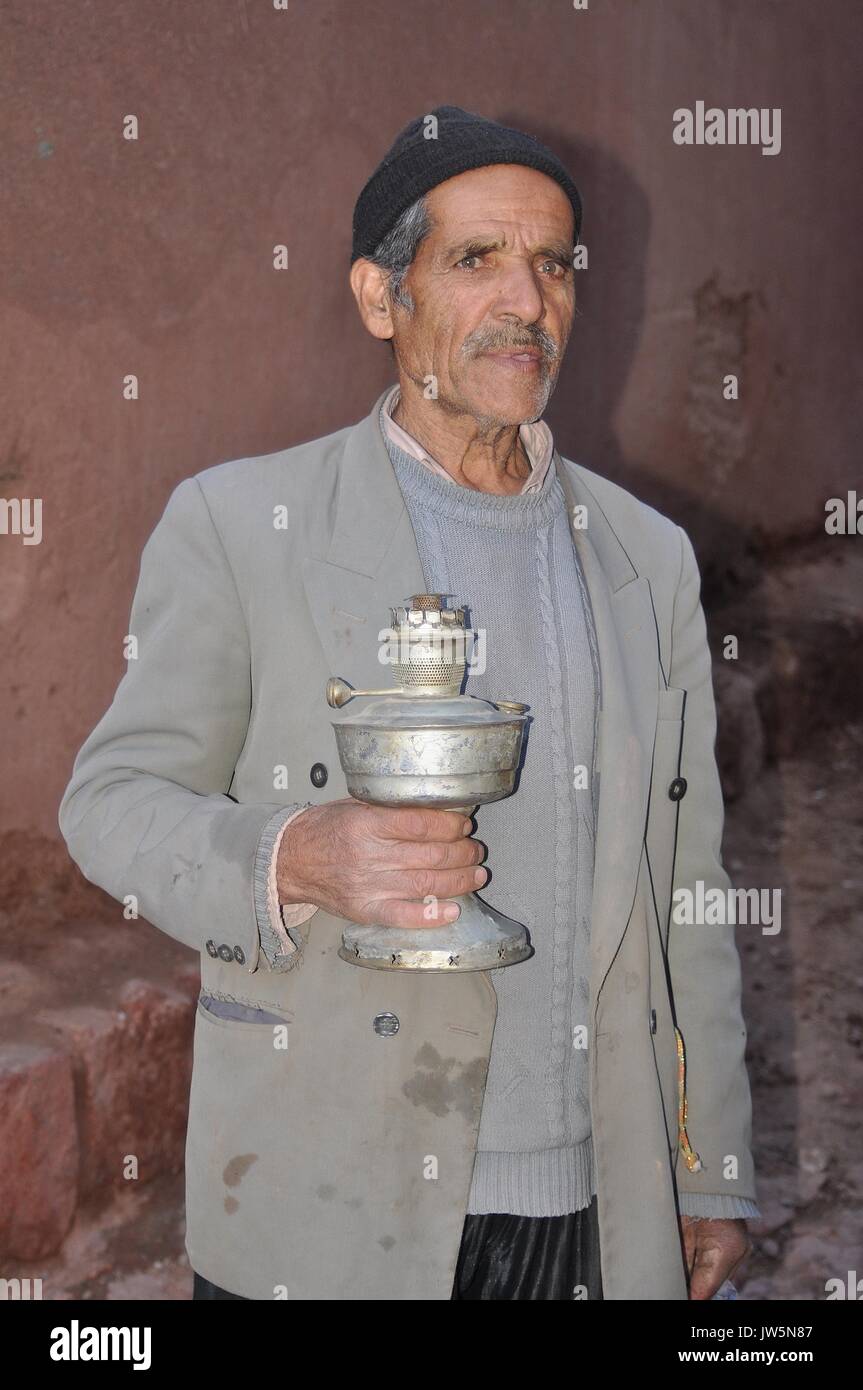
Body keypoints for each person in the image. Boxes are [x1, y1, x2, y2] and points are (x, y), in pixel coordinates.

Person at [59, 105, 759, 1301]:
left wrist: (710, 1166)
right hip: (329, 1205)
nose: (526, 301)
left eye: (550, 263)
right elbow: (110, 805)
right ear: (381, 299)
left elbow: (684, 889)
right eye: (474, 260)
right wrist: (291, 854)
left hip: (592, 1205)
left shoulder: (643, 558)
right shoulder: (242, 527)